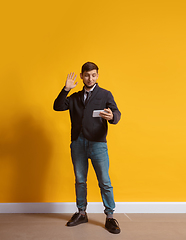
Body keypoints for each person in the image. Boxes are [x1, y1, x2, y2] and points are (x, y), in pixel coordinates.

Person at [53, 62, 121, 234]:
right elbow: (58, 106)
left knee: (104, 181)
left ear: (97, 75)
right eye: (86, 75)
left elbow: (117, 114)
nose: (90, 78)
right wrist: (66, 89)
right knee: (80, 180)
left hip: (98, 144)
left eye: (93, 75)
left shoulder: (105, 94)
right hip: (78, 143)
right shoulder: (75, 97)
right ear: (82, 75)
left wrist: (112, 116)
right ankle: (81, 212)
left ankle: (110, 216)